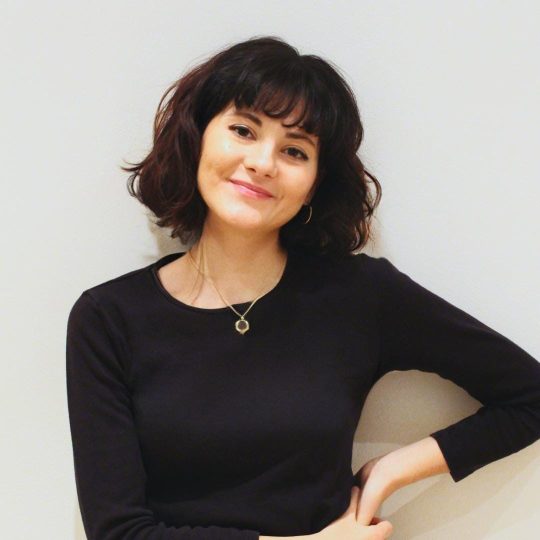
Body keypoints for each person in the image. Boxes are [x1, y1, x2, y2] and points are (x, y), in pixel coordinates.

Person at [65, 35, 540, 540]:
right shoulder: (108, 318)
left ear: (314, 183)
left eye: (294, 150)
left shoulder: (360, 295)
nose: (263, 163)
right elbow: (117, 533)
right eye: (244, 130)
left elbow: (529, 396)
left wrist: (391, 469)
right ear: (197, 136)